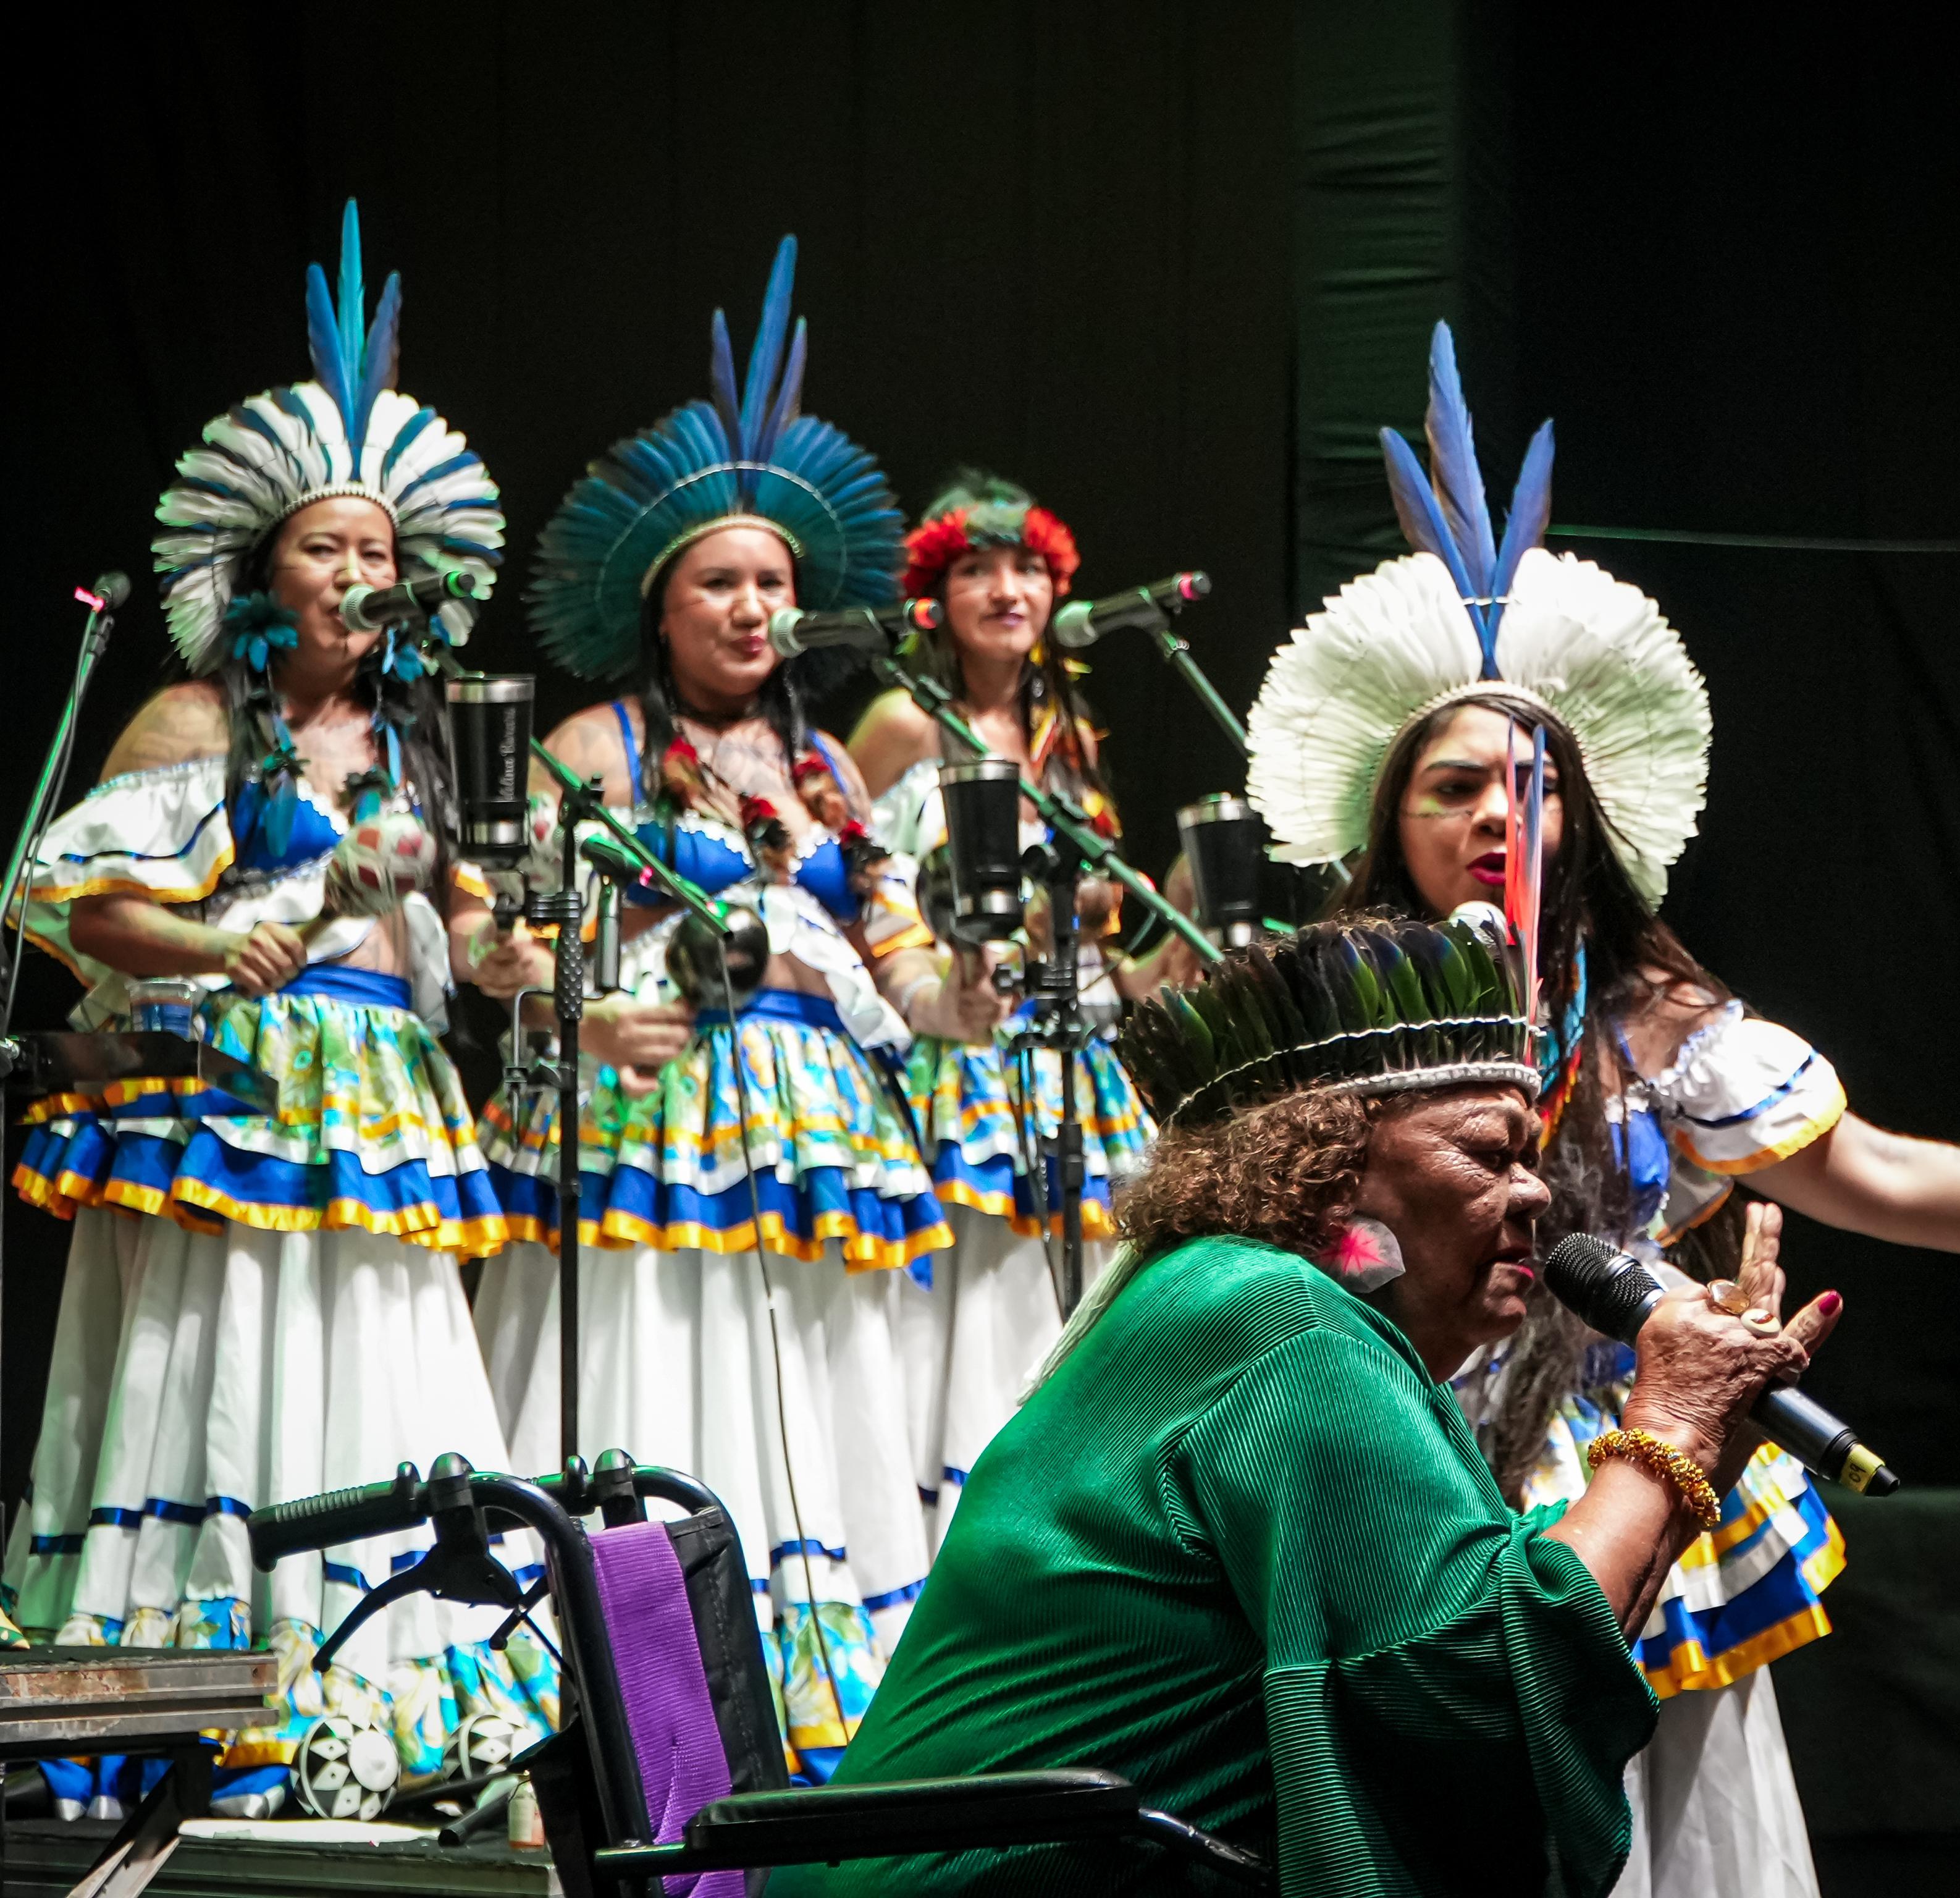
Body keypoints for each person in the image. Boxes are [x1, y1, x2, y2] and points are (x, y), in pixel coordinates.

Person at [1242, 323, 1960, 1897]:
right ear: (1394, 817)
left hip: (1623, 1477)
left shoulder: (1655, 1028)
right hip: (1394, 1479)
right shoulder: (1319, 1023)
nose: (1496, 815)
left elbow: (1881, 1175)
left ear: (1579, 820)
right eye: (1453, 786)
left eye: (1530, 785)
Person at [773, 913, 1844, 1894]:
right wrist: (1670, 1419)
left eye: (1528, 1158)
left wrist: (1703, 1436)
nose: (1534, 1192)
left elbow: (1480, 1632)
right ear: (1328, 1166)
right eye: (1488, 1152)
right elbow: (1471, 1686)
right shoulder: (1283, 1326)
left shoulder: (1246, 1302)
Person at [0, 204, 554, 1816]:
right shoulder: (192, 718)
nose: (359, 577)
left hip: (378, 1092)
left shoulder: (429, 750)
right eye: (328, 549)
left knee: (373, 1355)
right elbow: (71, 902)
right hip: (221, 1092)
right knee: (221, 1363)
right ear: (263, 569)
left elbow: (477, 926)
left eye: (379, 555)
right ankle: (195, 1691)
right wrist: (208, 947)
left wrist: (508, 962)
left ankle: (390, 1703)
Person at [471, 236, 954, 1778]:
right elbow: (503, 941)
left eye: (774, 585)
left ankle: (814, 1704)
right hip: (661, 1109)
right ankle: (640, 1705)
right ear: (660, 604)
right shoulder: (596, 749)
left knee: (818, 1385)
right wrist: (584, 1022)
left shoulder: (828, 770)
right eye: (720, 582)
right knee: (660, 1368)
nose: (753, 608)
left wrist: (964, 987)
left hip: (814, 1125)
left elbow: (897, 950)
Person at [846, 474, 1187, 1551]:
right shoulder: (903, 722)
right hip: (962, 1050)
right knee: (979, 1303)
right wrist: (934, 982)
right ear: (932, 597)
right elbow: (850, 889)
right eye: (976, 570)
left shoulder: (1066, 732)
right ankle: (959, 1538)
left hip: (1077, 1048)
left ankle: (1070, 1530)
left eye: (1028, 569)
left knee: (1080, 1296)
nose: (1007, 590)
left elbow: (1095, 948)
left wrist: (1163, 945)